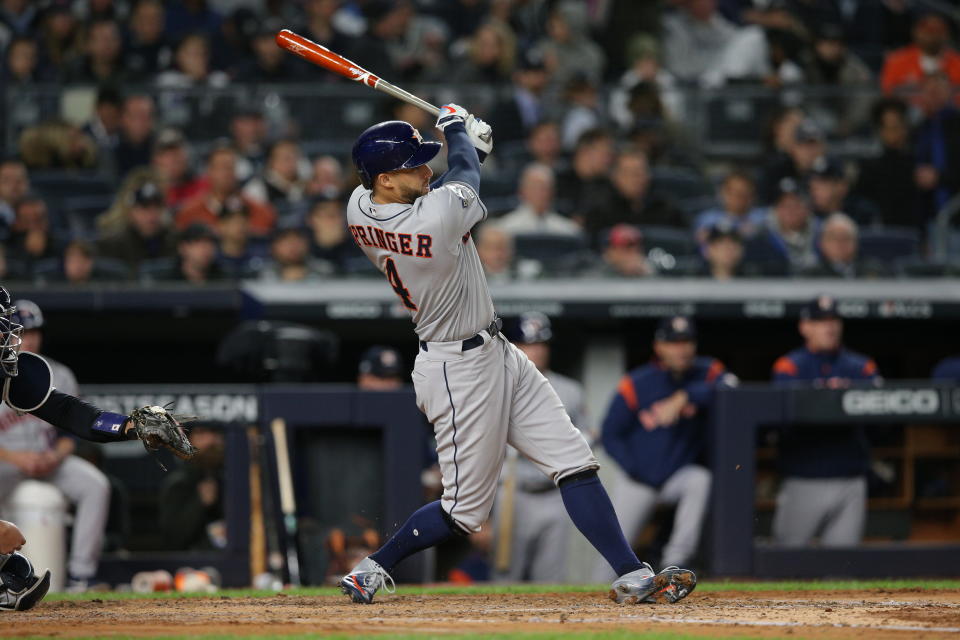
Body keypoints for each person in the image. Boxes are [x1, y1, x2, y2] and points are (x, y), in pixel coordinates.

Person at [340, 106, 695, 605]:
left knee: (573, 461)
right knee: (464, 512)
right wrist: (457, 129)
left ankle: (631, 573)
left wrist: (468, 148)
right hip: (455, 367)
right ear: (384, 178)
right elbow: (460, 177)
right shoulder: (434, 218)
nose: (426, 169)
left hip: (496, 350)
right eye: (414, 165)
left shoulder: (359, 204)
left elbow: (456, 180)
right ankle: (372, 569)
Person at [0, 286, 194, 610]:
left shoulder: (9, 372)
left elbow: (68, 412)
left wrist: (130, 426)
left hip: (44, 461)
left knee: (14, 571)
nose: (8, 334)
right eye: (1, 325)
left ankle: (75, 575)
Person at [594, 316, 733, 579]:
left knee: (700, 479)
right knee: (611, 558)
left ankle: (676, 561)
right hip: (638, 481)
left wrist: (687, 396)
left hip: (676, 476)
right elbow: (610, 434)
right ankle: (595, 596)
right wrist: (634, 469)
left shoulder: (707, 371)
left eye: (686, 341)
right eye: (673, 342)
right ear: (659, 347)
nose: (681, 349)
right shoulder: (637, 382)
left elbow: (732, 387)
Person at [0, 300, 109, 591]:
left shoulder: (58, 374)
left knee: (95, 485)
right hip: (6, 461)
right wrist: (15, 457)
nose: (29, 339)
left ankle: (81, 575)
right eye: (20, 332)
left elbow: (70, 432)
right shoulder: (1, 372)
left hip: (49, 461)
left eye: (34, 332)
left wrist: (55, 456)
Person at [771, 295, 879, 547]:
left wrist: (837, 397)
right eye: (820, 321)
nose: (829, 327)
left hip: (850, 477)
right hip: (803, 477)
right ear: (804, 326)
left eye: (833, 320)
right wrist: (830, 397)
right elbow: (787, 422)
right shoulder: (789, 366)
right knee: (786, 565)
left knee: (842, 570)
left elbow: (879, 420)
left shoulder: (861, 366)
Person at [492, 313, 586, 583]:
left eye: (541, 344)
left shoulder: (570, 390)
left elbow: (589, 436)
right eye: (528, 344)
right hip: (511, 490)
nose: (537, 351)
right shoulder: (494, 386)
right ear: (513, 348)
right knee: (504, 578)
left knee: (551, 580)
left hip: (555, 491)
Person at [583, 150, 685, 238]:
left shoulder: (666, 209)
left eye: (641, 172)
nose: (636, 179)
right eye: (630, 173)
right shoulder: (600, 212)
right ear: (615, 177)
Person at [176, 146, 277, 236]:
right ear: (209, 172)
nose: (226, 173)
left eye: (230, 168)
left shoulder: (261, 212)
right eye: (220, 168)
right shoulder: (189, 214)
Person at [158, 426, 225, 550]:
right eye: (201, 434)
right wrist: (199, 503)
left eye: (215, 433)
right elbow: (172, 540)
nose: (210, 440)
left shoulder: (234, 478)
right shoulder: (179, 484)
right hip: (191, 561)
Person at [855, 99, 918, 230]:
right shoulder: (869, 165)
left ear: (905, 127)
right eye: (888, 127)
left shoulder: (918, 162)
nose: (894, 133)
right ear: (880, 130)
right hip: (880, 236)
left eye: (897, 126)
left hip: (912, 236)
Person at [96, 181, 177, 275]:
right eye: (144, 208)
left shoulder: (176, 242)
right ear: (131, 212)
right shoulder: (112, 244)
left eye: (156, 208)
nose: (151, 215)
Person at [744, 178, 818, 276]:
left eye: (796, 205)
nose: (791, 211)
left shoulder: (823, 234)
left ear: (807, 208)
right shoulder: (760, 239)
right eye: (785, 205)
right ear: (776, 209)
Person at [881, 13, 960, 96]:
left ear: (946, 34)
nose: (932, 36)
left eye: (938, 31)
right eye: (927, 31)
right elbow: (888, 93)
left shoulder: (957, 63)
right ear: (916, 32)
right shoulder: (896, 61)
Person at [497, 164, 581, 237]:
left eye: (544, 188)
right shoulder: (504, 229)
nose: (539, 193)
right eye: (534, 188)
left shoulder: (569, 231)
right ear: (522, 192)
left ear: (553, 192)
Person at [693, 171, 766, 246]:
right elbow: (703, 246)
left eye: (745, 192)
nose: (739, 197)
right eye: (734, 192)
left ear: (753, 196)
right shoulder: (707, 219)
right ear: (723, 193)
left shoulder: (763, 217)